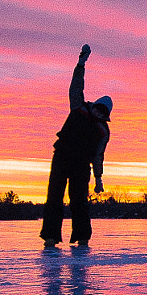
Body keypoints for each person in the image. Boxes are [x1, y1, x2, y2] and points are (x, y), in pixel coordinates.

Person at [42, 44, 111, 248]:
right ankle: (50, 237)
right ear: (94, 105)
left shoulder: (102, 131)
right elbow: (76, 86)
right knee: (54, 196)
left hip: (82, 165)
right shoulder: (78, 107)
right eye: (98, 108)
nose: (99, 113)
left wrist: (98, 180)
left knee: (79, 200)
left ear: (106, 115)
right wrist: (81, 63)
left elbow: (98, 156)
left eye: (103, 112)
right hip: (62, 157)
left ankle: (82, 237)